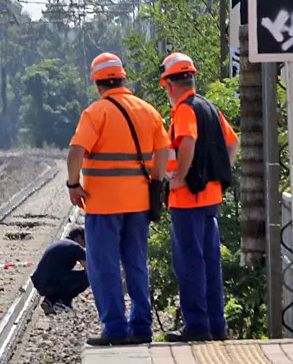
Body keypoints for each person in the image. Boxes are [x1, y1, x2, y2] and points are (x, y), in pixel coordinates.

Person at [67, 52, 172, 347]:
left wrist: (73, 184)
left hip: (102, 205)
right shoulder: (147, 110)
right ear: (123, 79)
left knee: (105, 265)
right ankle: (141, 327)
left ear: (98, 83)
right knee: (137, 263)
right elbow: (163, 151)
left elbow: (76, 151)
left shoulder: (96, 113)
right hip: (139, 203)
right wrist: (156, 182)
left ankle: (115, 328)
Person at [160, 52, 239, 343]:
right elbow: (234, 144)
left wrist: (180, 176)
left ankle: (196, 325)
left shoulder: (184, 110)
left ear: (168, 84)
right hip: (211, 198)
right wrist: (216, 172)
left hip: (187, 200)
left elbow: (188, 141)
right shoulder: (210, 107)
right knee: (210, 261)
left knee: (189, 262)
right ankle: (217, 325)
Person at [35, 227, 89, 314]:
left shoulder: (60, 243)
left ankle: (49, 301)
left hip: (39, 283)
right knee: (87, 277)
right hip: (53, 283)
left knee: (62, 275)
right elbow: (89, 269)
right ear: (78, 237)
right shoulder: (76, 247)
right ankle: (63, 302)